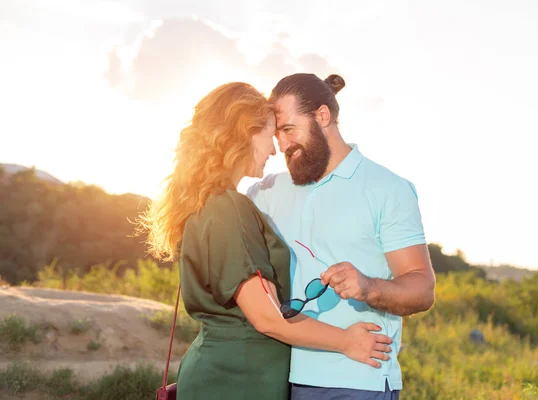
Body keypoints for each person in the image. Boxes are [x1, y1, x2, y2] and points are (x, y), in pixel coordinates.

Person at [137, 82, 394, 400]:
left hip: (226, 375)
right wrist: (347, 341)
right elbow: (267, 317)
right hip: (236, 383)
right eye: (270, 134)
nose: (275, 150)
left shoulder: (207, 205)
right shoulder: (230, 208)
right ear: (245, 132)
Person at [247, 73, 436, 399]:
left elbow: (422, 288)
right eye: (277, 134)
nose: (282, 145)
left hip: (358, 379)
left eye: (289, 130)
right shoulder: (266, 192)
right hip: (279, 376)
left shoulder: (387, 189)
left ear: (323, 116)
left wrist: (369, 286)